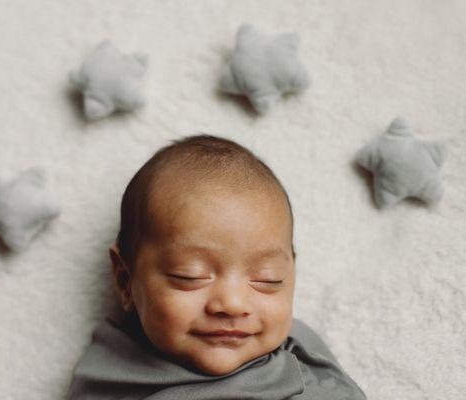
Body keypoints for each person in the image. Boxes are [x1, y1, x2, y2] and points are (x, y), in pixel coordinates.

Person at [67, 134, 367, 399]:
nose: (232, 304)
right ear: (125, 280)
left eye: (268, 279)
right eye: (190, 276)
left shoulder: (303, 361)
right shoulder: (113, 375)